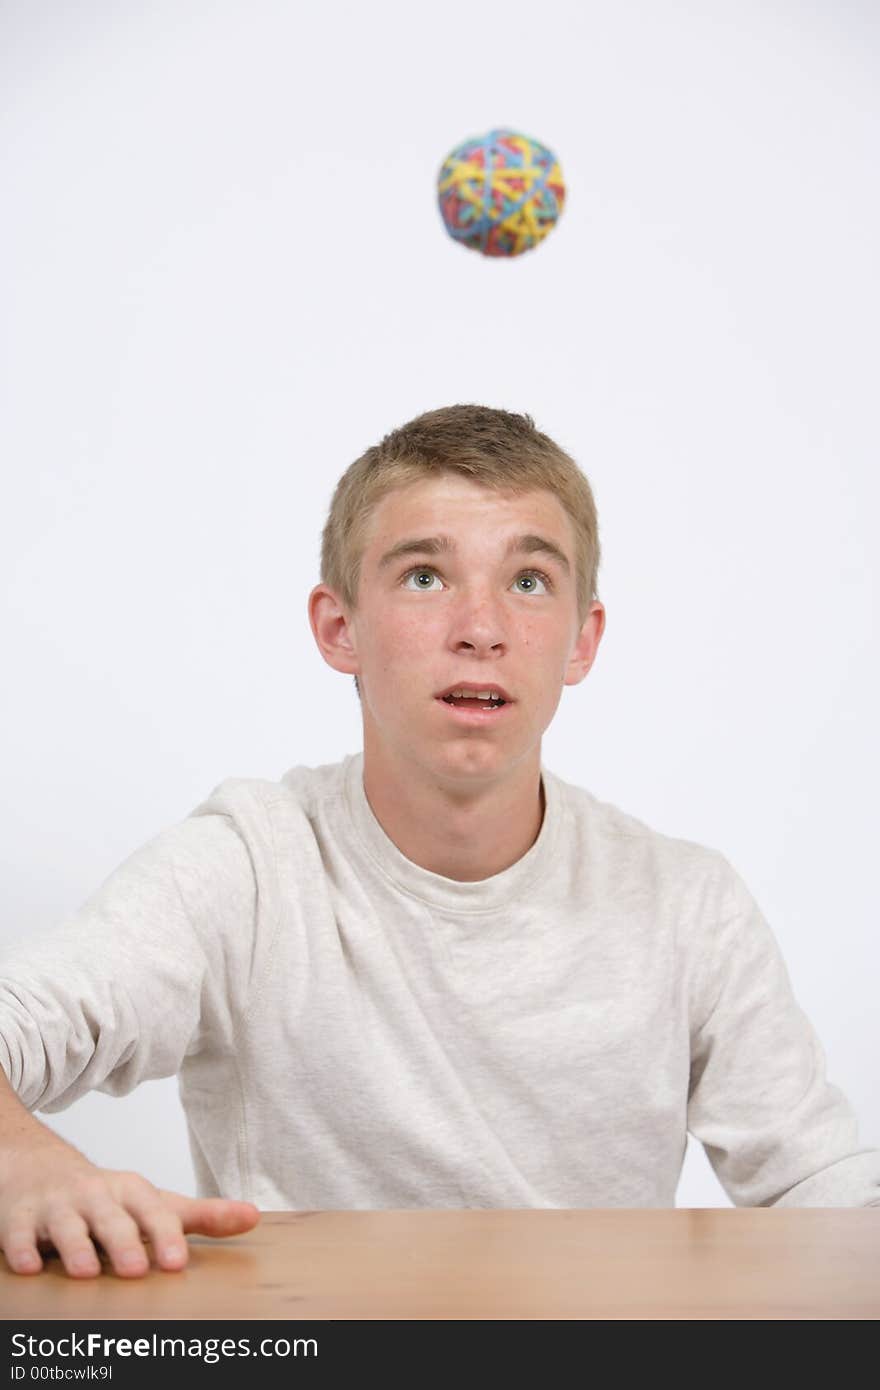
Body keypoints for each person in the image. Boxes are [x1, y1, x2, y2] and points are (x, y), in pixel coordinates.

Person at [2, 404, 878, 1282]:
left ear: (583, 640)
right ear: (338, 628)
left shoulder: (689, 905)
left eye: (529, 581)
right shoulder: (248, 868)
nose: (482, 627)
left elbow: (821, 1184)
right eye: (425, 576)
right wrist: (25, 1163)